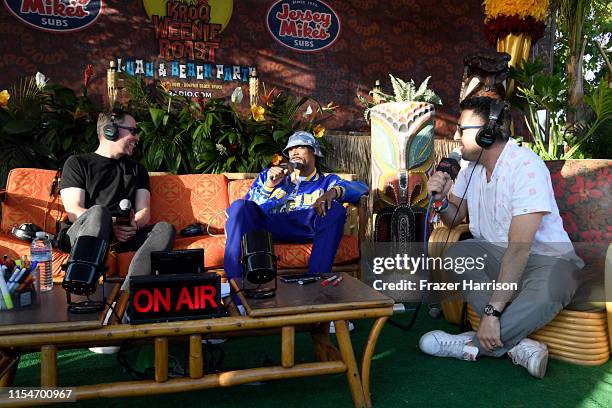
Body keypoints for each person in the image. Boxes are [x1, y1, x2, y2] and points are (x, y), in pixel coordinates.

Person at [418, 96, 583, 378]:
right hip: (497, 258)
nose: (455, 136)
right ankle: (518, 346)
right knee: (459, 254)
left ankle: (470, 346)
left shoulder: (525, 167)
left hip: (546, 261)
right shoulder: (471, 169)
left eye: (462, 129)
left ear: (487, 132)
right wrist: (443, 201)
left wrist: (493, 313)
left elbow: (519, 250)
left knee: (553, 287)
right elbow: (455, 218)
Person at [224, 131, 368, 279]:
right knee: (239, 207)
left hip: (306, 225)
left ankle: (316, 278)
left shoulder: (326, 181)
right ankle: (236, 283)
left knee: (335, 209)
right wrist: (269, 186)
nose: (294, 152)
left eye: (300, 147)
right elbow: (250, 211)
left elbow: (361, 188)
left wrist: (331, 193)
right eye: (290, 149)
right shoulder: (270, 176)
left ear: (314, 152)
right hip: (270, 226)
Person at [59, 109, 176, 292]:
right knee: (99, 212)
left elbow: (144, 210)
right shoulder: (77, 163)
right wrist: (110, 223)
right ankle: (81, 284)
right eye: (133, 131)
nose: (136, 137)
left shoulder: (138, 170)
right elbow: (74, 211)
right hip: (86, 234)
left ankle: (128, 294)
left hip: (123, 234)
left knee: (165, 229)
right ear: (110, 131)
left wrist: (132, 225)